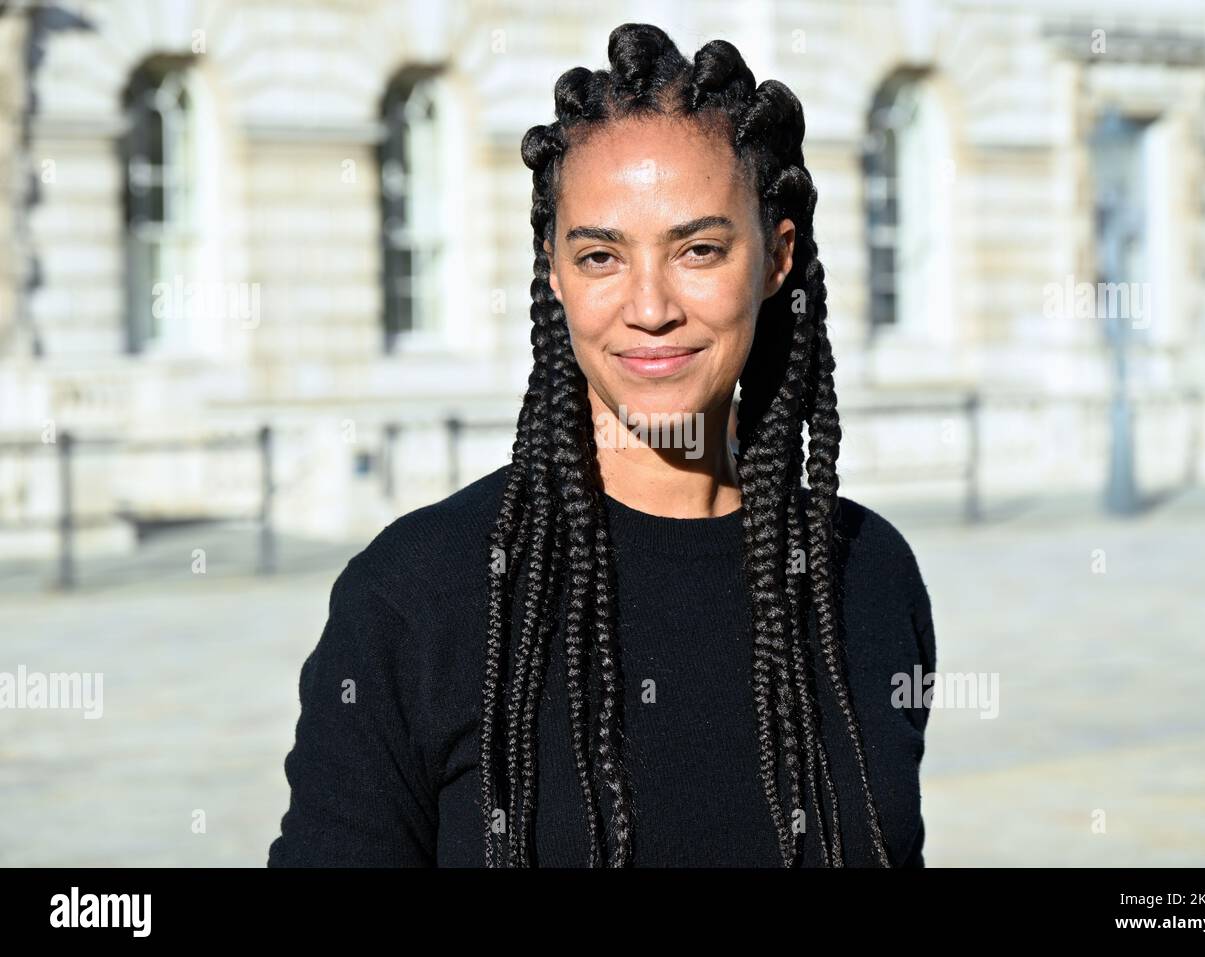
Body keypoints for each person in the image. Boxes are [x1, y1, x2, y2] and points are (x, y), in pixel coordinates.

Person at [268, 22, 936, 868]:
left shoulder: (868, 574)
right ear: (553, 270)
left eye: (698, 249)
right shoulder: (414, 599)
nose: (649, 305)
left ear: (775, 257)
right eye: (600, 256)